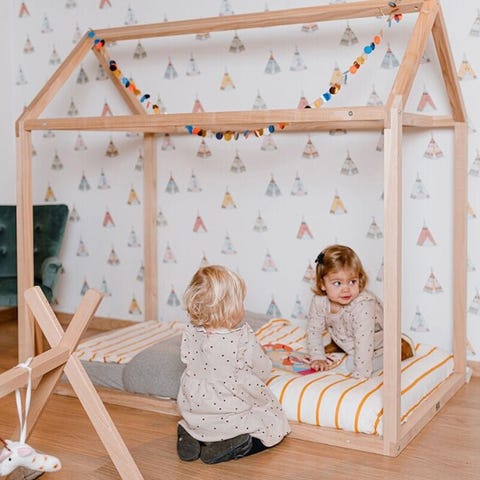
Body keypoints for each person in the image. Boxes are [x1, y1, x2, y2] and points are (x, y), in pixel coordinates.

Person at [176, 265, 290, 464]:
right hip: (228, 411)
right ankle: (237, 444)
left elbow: (186, 358)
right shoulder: (242, 336)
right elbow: (262, 369)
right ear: (231, 307)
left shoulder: (190, 331)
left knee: (199, 422)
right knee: (271, 423)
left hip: (194, 409)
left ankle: (189, 434)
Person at [307, 244, 414, 379]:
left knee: (353, 364)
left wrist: (360, 375)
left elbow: (364, 343)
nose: (346, 289)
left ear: (359, 278)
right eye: (337, 283)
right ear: (322, 284)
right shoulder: (320, 301)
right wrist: (317, 357)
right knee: (336, 353)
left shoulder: (362, 305)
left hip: (378, 343)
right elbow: (314, 330)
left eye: (352, 281)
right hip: (349, 339)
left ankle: (400, 348)